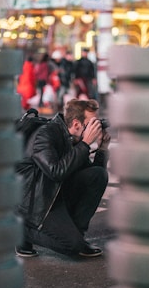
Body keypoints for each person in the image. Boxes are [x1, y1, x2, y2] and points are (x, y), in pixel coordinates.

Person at [15, 98, 111, 258]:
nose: (95, 128)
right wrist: (86, 143)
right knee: (72, 247)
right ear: (76, 124)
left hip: (54, 194)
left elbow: (92, 176)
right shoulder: (45, 134)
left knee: (98, 175)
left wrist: (101, 149)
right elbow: (55, 171)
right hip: (35, 204)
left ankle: (77, 235)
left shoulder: (72, 137)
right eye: (92, 123)